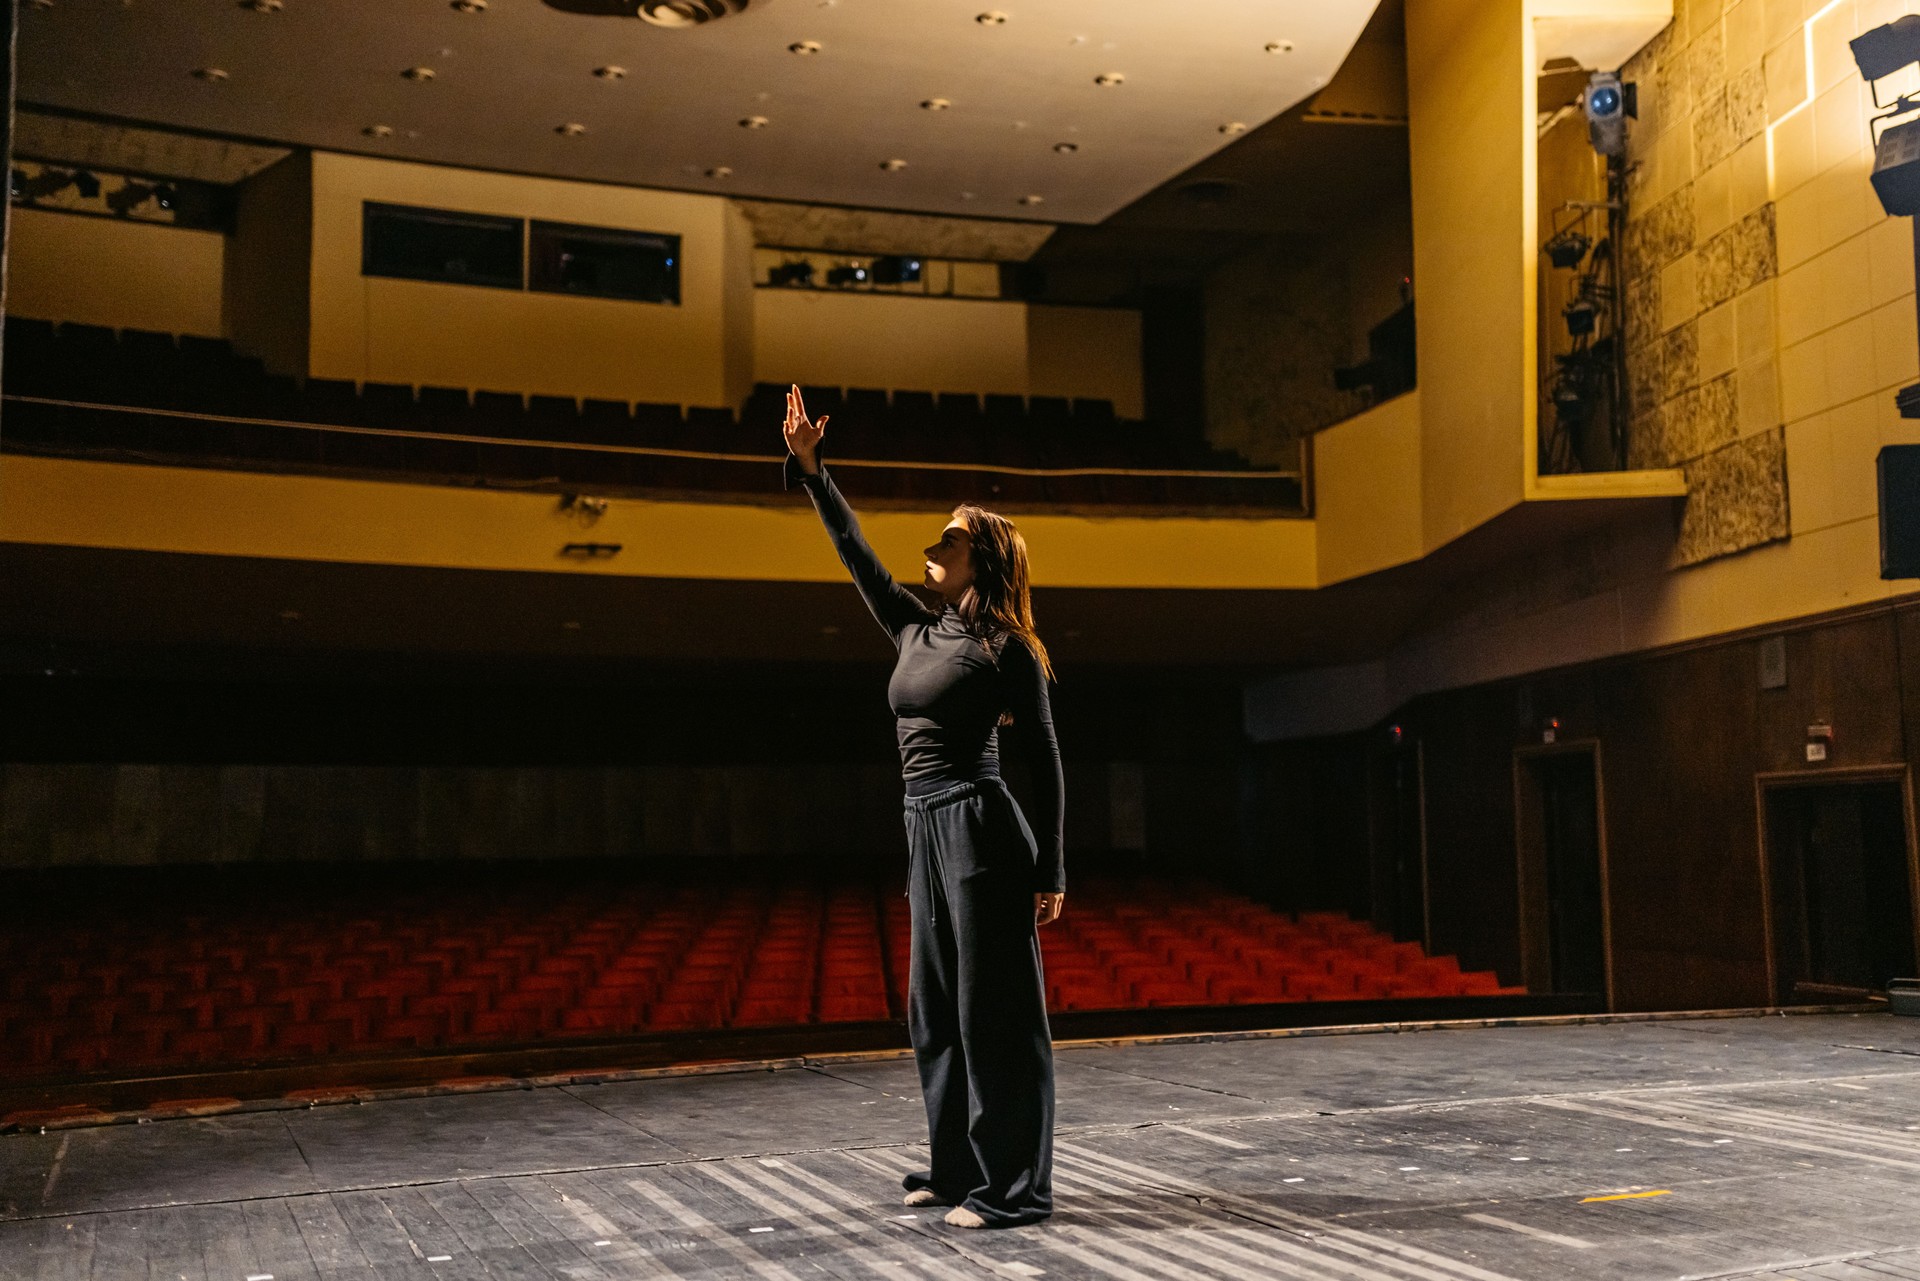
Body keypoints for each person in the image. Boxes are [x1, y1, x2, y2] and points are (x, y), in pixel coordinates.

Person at [781, 385, 1064, 1230]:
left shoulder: (1006, 648)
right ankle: (956, 1169)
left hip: (979, 821)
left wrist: (1051, 866)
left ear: (984, 560)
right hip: (923, 826)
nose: (931, 546)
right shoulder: (916, 630)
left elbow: (1043, 757)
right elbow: (856, 555)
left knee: (995, 1014)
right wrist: (812, 470)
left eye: (950, 537)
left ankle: (1016, 1187)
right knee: (934, 1007)